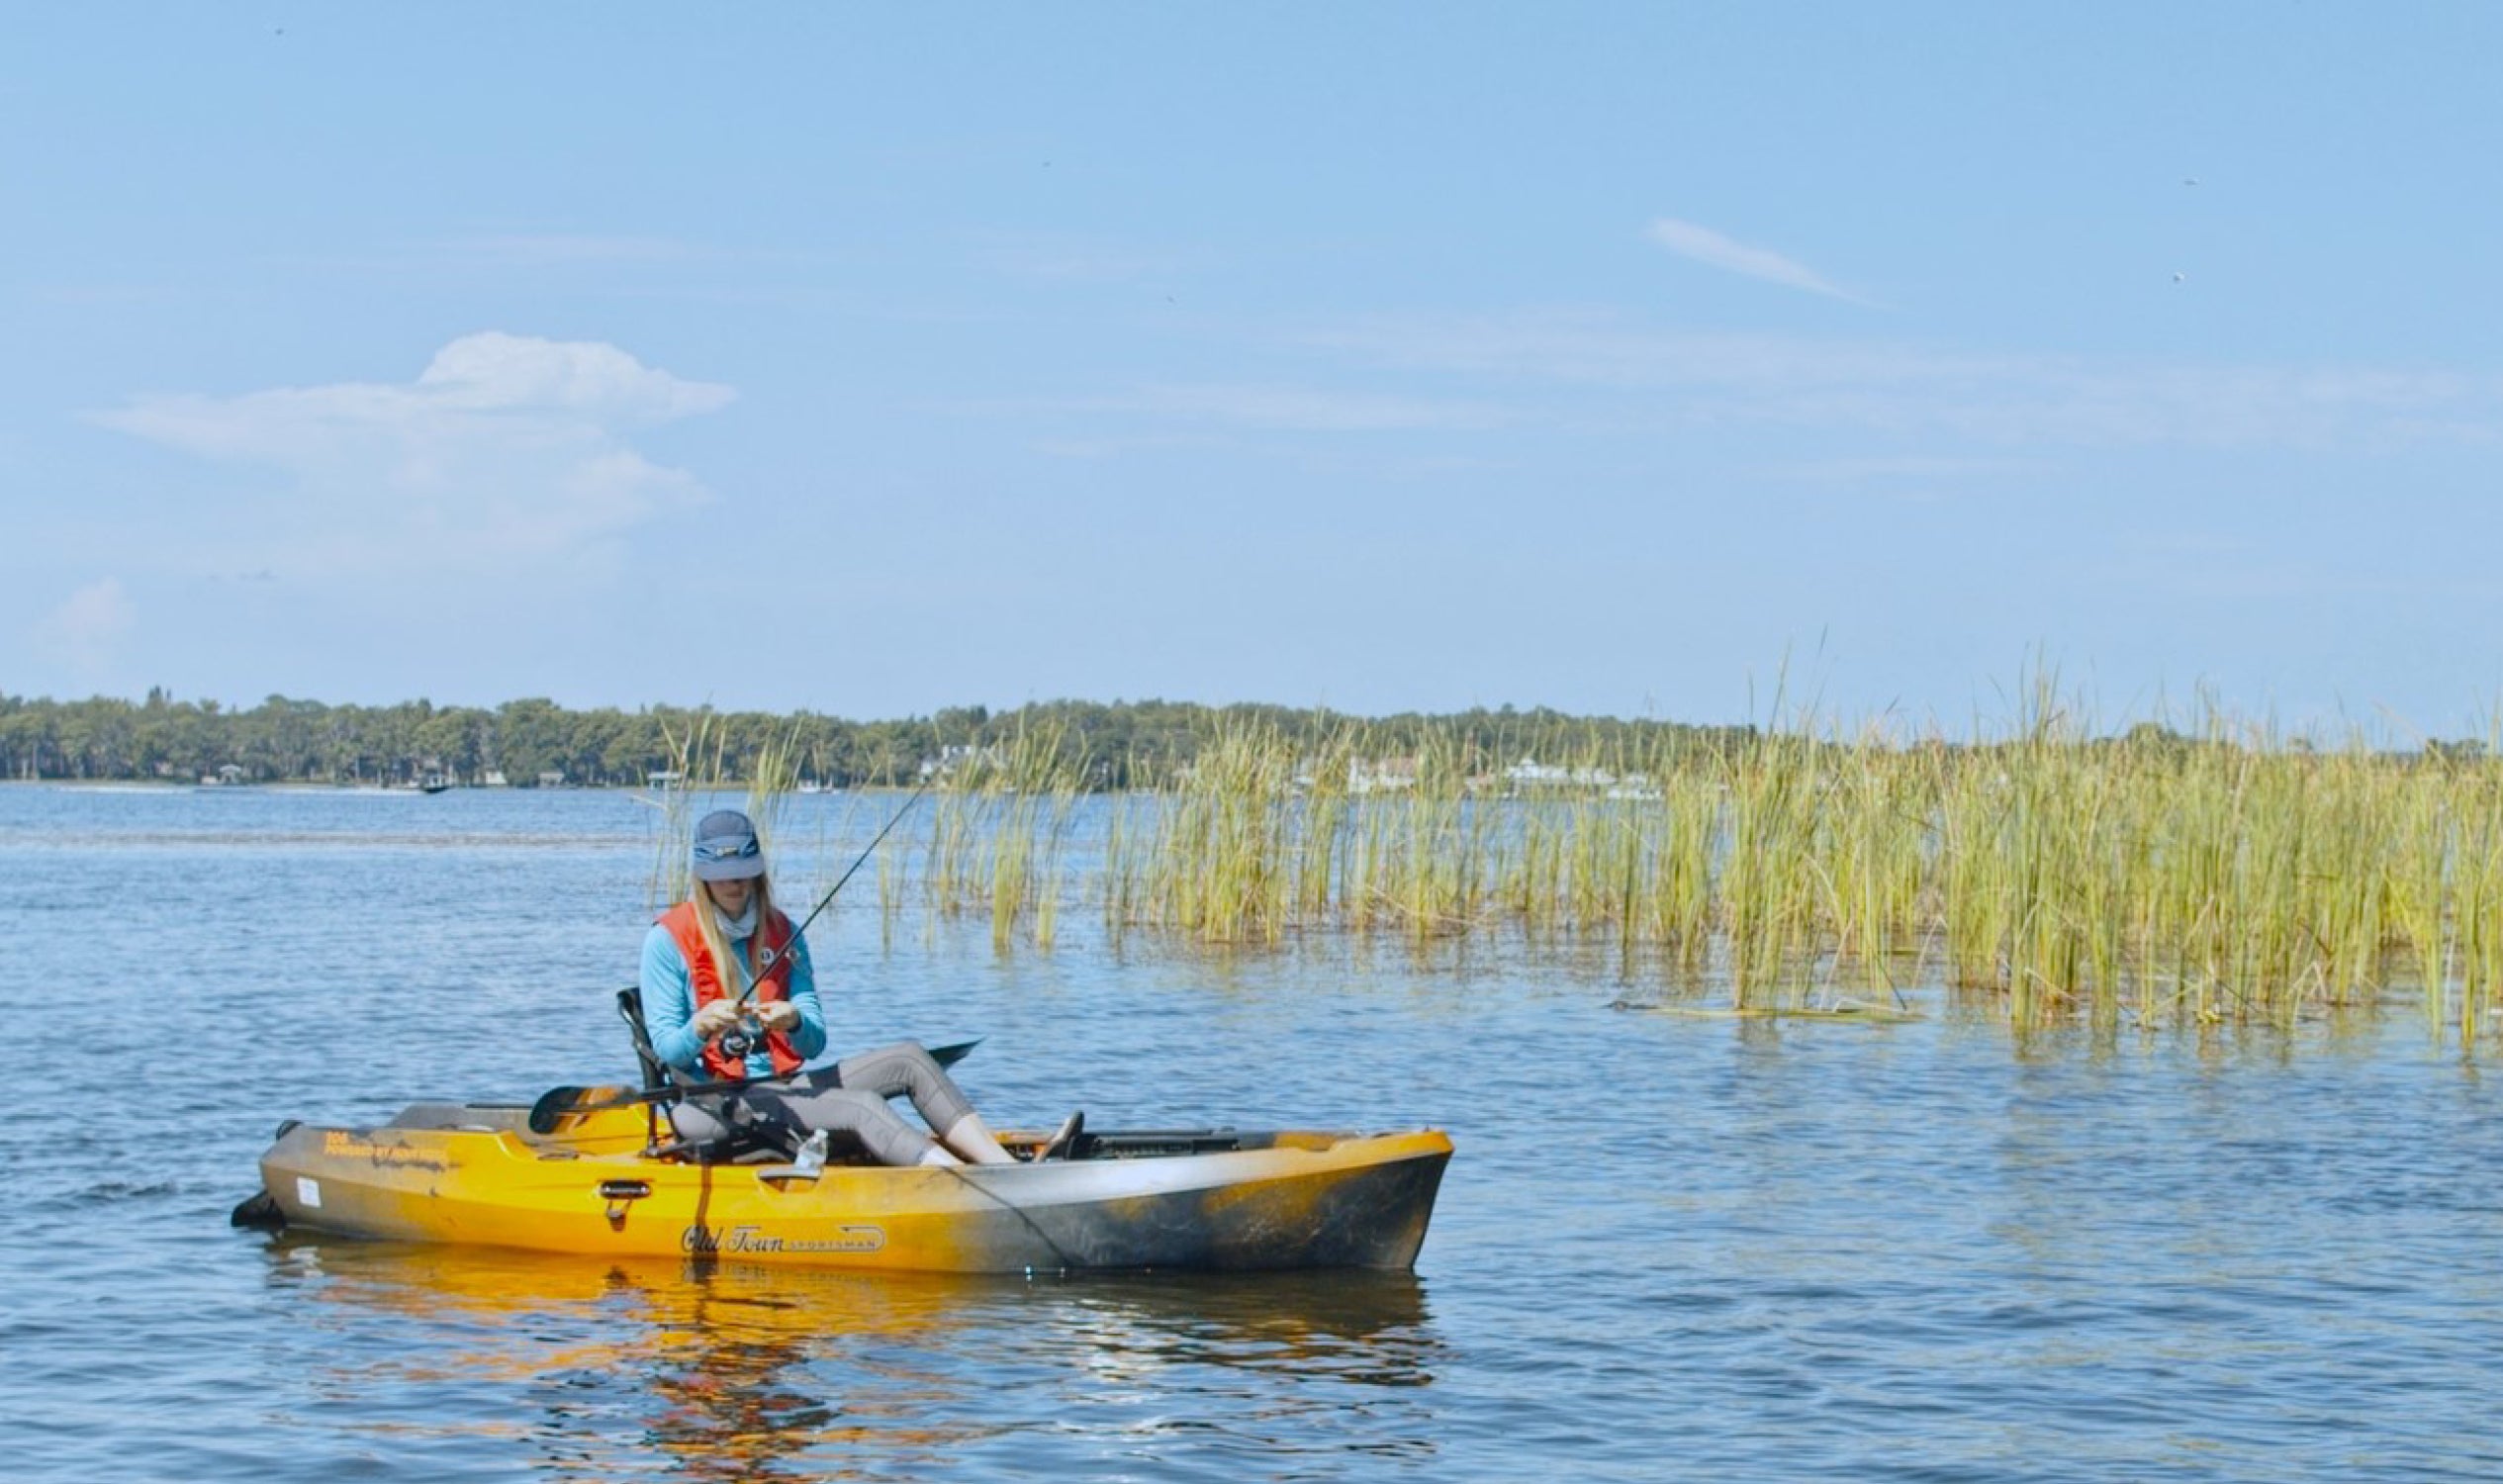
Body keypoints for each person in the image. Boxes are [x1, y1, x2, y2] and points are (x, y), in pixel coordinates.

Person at [640, 808, 1027, 1166]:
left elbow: (814, 1044)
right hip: (709, 1102)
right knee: (858, 1106)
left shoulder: (785, 932)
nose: (735, 883)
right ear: (702, 875)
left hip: (785, 1087)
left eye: (743, 870)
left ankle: (1003, 1169)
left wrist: (794, 1021)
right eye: (722, 873)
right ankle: (961, 1182)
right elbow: (668, 1049)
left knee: (910, 1059)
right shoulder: (666, 940)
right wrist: (702, 1025)